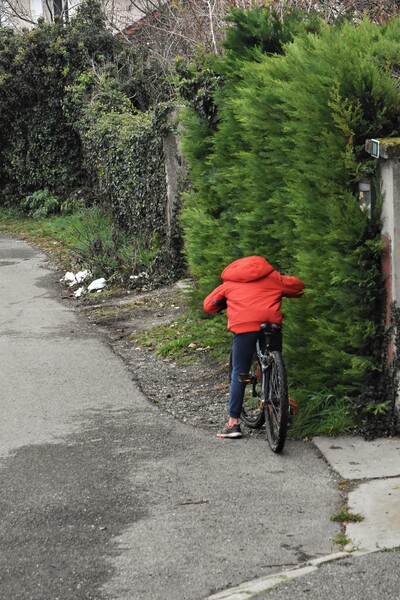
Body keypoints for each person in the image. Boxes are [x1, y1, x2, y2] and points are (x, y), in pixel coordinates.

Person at [203, 255, 304, 439]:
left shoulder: (230, 282)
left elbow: (208, 305)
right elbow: (298, 288)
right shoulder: (272, 277)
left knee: (239, 372)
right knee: (273, 360)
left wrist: (224, 303)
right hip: (270, 325)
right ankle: (277, 402)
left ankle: (233, 423)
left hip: (244, 328)